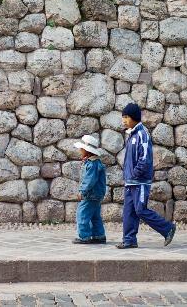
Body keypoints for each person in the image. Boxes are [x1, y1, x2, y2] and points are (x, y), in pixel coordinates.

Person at [116, 103, 176, 249]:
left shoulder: (142, 134)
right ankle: (129, 240)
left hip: (140, 181)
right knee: (128, 211)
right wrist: (128, 176)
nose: (123, 120)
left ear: (134, 117)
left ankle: (167, 228)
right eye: (123, 117)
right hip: (130, 181)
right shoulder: (131, 134)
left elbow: (145, 159)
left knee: (140, 210)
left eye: (126, 117)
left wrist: (135, 174)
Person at [73, 135, 107, 244]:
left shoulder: (92, 164)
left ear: (87, 151)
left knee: (82, 213)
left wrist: (82, 191)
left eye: (81, 149)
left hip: (91, 195)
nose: (80, 150)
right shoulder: (93, 162)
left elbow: (89, 181)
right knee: (94, 215)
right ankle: (99, 235)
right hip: (96, 194)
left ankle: (83, 236)